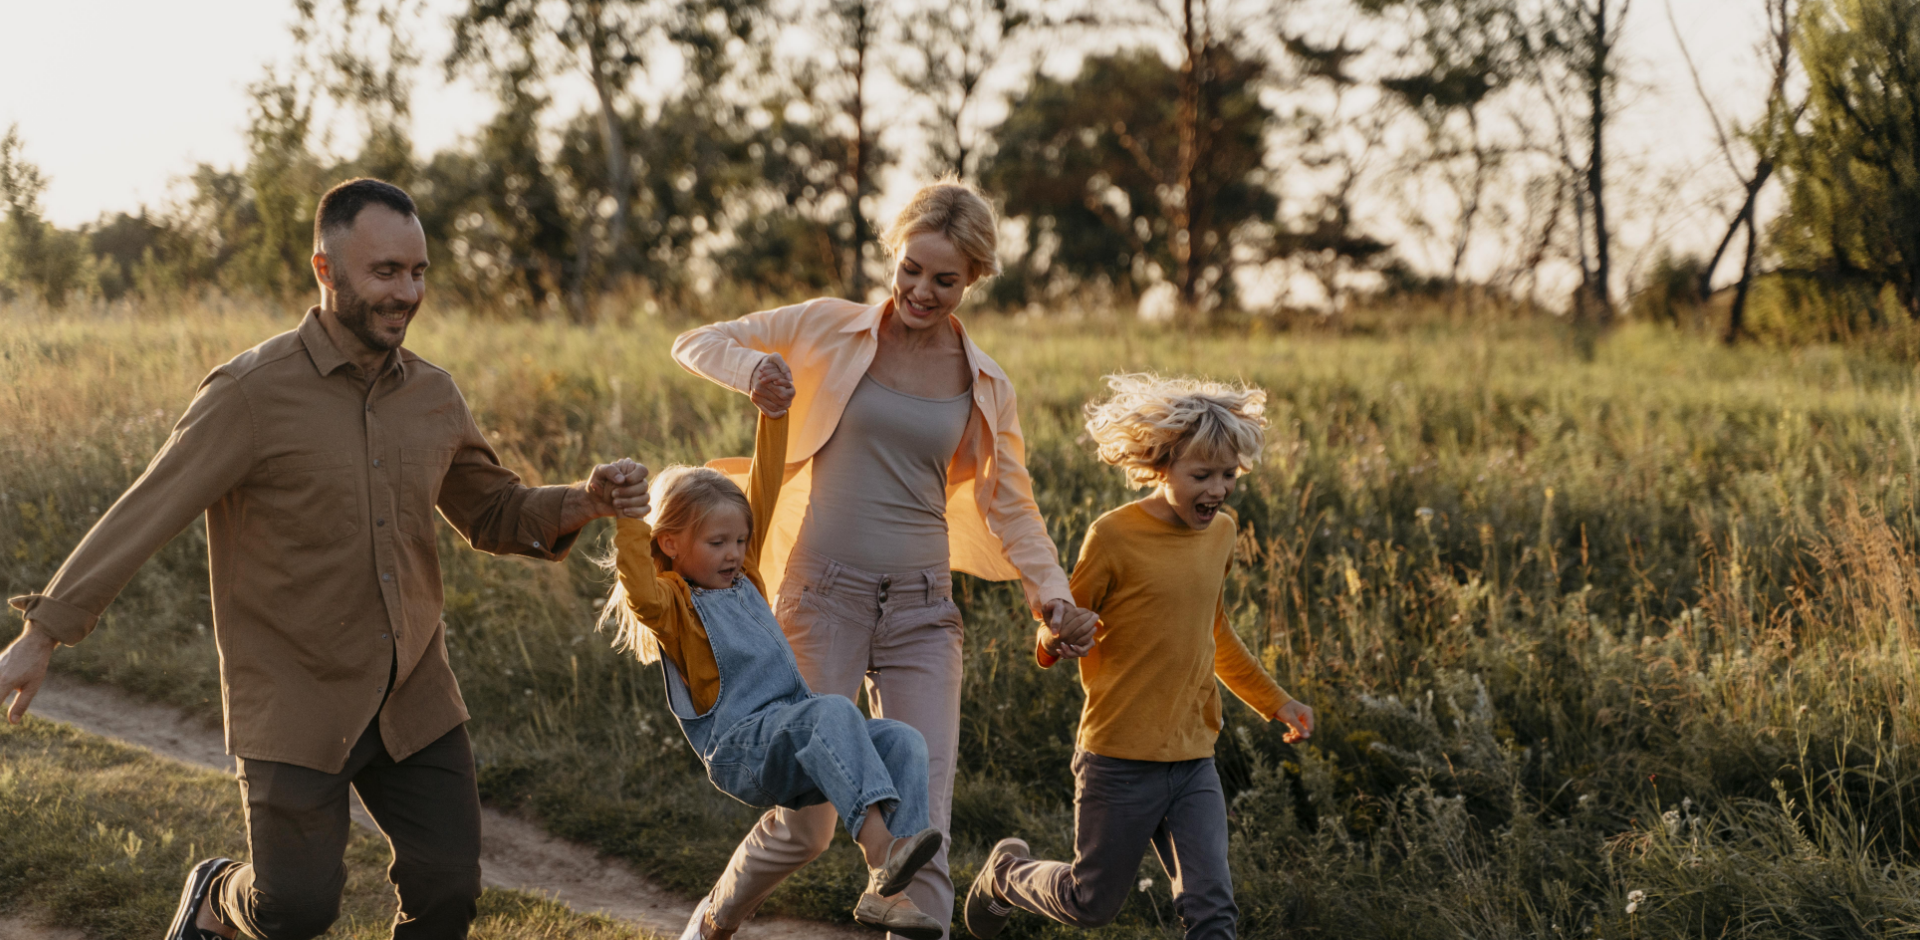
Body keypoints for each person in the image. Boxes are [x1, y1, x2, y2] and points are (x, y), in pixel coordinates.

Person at [0, 178, 651, 940]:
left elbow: (493, 511)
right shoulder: (249, 394)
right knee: (296, 908)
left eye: (418, 272)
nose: (406, 293)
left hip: (413, 693)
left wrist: (583, 500)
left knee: (448, 892)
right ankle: (217, 893)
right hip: (295, 695)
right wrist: (43, 635)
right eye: (385, 273)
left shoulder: (434, 397)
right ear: (325, 270)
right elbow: (146, 510)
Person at [669, 178, 1101, 938]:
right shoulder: (829, 328)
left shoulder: (983, 382)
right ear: (893, 259)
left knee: (923, 808)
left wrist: (1052, 595)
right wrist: (755, 374)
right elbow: (698, 341)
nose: (922, 291)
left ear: (974, 279)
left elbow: (1012, 504)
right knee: (808, 822)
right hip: (820, 596)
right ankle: (713, 922)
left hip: (923, 610)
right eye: (911, 270)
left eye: (945, 279)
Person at [962, 373, 1317, 940]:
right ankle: (1007, 874)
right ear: (1162, 466)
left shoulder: (1221, 533)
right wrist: (1057, 640)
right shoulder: (1113, 537)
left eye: (1228, 475)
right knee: (1091, 902)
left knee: (1213, 911)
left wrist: (1276, 702)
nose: (1218, 489)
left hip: (1194, 756)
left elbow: (1214, 632)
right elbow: (1054, 629)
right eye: (1202, 475)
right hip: (1119, 757)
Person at [599, 411, 944, 939]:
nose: (735, 553)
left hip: (792, 738)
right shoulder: (676, 606)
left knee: (903, 740)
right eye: (718, 543)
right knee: (829, 709)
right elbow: (639, 585)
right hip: (743, 751)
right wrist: (628, 512)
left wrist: (773, 412)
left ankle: (887, 895)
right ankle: (882, 853)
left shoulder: (746, 575)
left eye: (740, 541)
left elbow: (766, 480)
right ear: (670, 544)